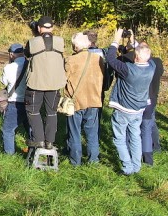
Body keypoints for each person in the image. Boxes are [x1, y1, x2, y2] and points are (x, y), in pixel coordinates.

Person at [104, 28, 156, 175]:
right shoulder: (151, 67)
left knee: (119, 138)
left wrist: (116, 39)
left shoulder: (128, 69)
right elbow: (146, 54)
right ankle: (136, 165)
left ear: (136, 57)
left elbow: (110, 59)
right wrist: (133, 41)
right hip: (139, 109)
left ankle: (127, 167)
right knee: (135, 137)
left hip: (123, 109)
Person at [23, 17, 66, 151]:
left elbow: (27, 54)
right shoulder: (61, 42)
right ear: (52, 28)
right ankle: (50, 142)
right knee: (51, 113)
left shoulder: (32, 42)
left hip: (36, 83)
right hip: (54, 83)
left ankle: (39, 139)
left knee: (33, 112)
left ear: (38, 28)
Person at [64, 32, 104, 166]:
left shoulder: (71, 60)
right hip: (93, 99)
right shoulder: (98, 59)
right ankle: (94, 160)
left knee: (74, 132)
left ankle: (75, 161)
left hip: (76, 102)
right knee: (92, 132)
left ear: (75, 46)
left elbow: (64, 79)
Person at [0, 43, 29, 155]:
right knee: (31, 129)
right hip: (29, 102)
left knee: (8, 130)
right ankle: (34, 150)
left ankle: (9, 154)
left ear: (11, 54)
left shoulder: (9, 67)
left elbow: (3, 81)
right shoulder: (31, 65)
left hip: (14, 103)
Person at [141, 42, 164, 166]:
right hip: (153, 97)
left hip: (145, 98)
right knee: (151, 123)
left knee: (145, 126)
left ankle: (146, 154)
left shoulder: (143, 65)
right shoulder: (157, 62)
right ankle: (156, 147)